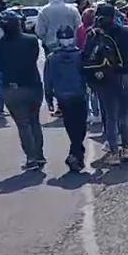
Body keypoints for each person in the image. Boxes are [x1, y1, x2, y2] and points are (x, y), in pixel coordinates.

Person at [84, 4, 128, 165]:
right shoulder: (125, 32)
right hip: (126, 75)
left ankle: (114, 152)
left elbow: (86, 57)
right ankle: (126, 148)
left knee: (110, 116)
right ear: (114, 16)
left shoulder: (93, 34)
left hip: (105, 78)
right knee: (125, 114)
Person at [0, 10, 46, 170]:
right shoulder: (31, 40)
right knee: (34, 121)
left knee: (23, 124)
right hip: (32, 85)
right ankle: (39, 155)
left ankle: (31, 158)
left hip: (12, 88)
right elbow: (33, 59)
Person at [44, 26, 87, 172]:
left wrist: (49, 99)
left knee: (71, 126)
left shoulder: (52, 57)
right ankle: (75, 154)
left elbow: (47, 80)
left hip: (63, 97)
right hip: (78, 94)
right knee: (80, 126)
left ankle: (76, 154)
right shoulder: (79, 55)